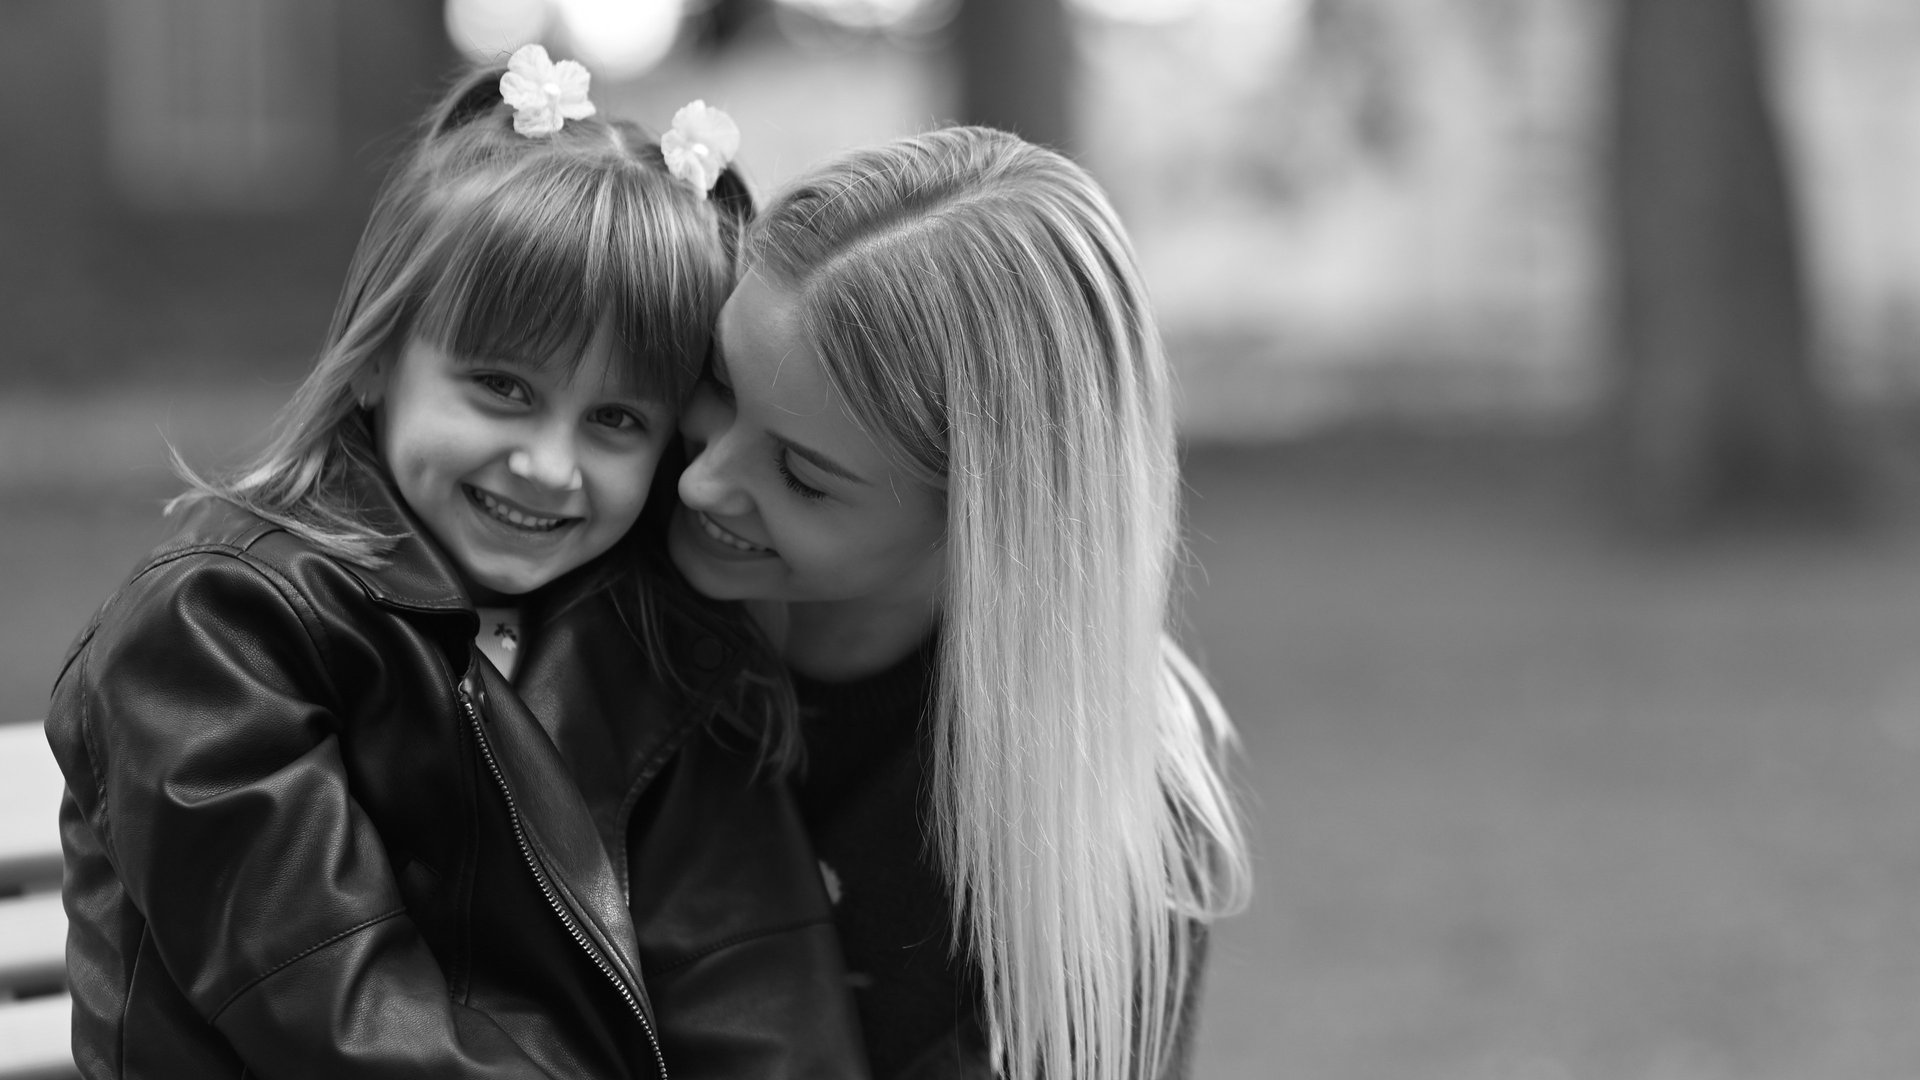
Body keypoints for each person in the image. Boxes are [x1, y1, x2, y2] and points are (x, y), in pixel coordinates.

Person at [44, 46, 861, 1080]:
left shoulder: (657, 642)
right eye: (504, 389)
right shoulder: (217, 634)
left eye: (614, 418)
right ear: (381, 355)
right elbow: (337, 1017)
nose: (549, 464)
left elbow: (764, 1004)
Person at [665, 126, 1255, 1080]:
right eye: (717, 384)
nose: (703, 482)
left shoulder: (1117, 805)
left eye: (804, 477)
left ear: (990, 522)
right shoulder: (590, 602)